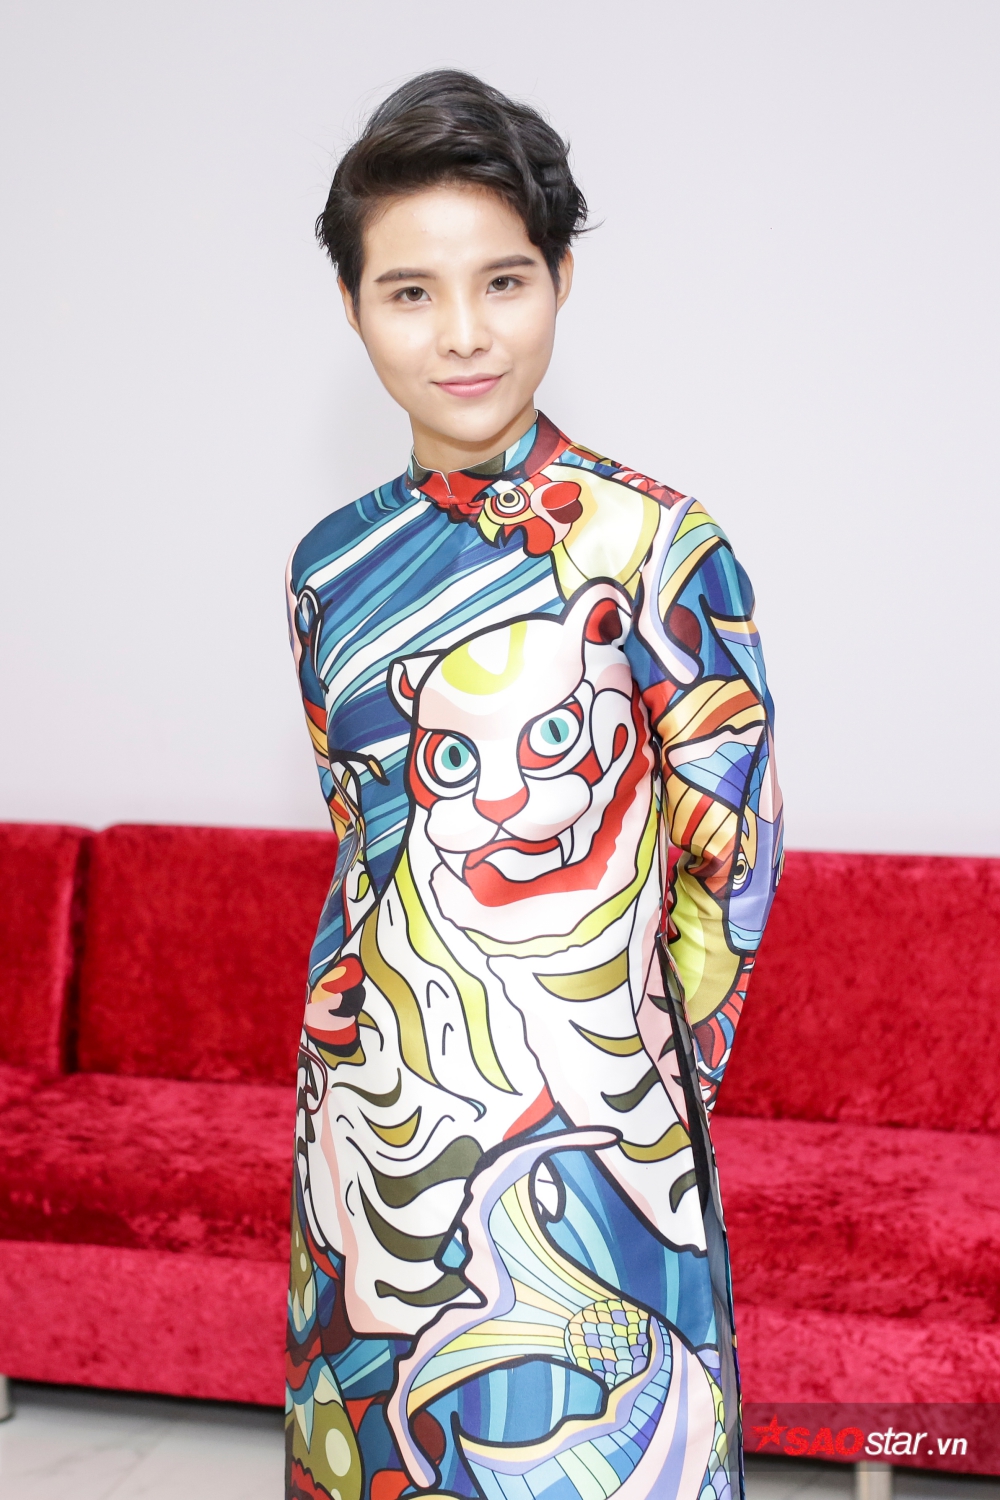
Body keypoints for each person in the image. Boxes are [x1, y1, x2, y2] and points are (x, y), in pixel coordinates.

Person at [285, 69, 782, 1500]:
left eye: (502, 281)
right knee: (385, 1453)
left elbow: (734, 857)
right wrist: (360, 1075)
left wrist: (639, 1088)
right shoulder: (326, 568)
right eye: (410, 292)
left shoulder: (660, 547)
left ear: (561, 278)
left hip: (600, 1127)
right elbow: (364, 847)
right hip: (372, 1115)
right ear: (352, 308)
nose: (462, 332)